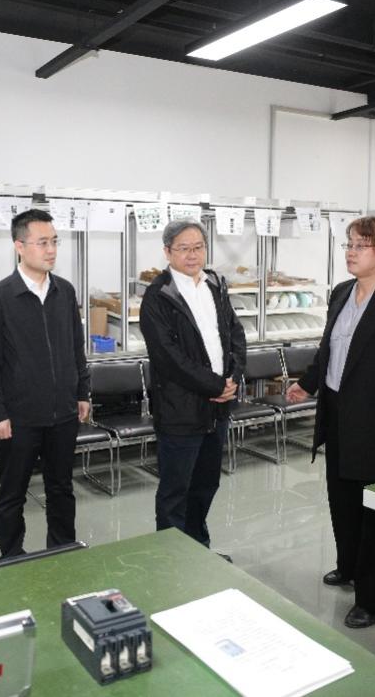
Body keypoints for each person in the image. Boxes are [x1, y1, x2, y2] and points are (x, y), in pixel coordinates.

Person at [286, 216, 375, 629]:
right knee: (344, 500)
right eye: (349, 244)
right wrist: (307, 384)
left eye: (361, 245)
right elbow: (329, 351)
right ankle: (349, 566)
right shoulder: (341, 294)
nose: (351, 252)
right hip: (339, 415)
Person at [0, 209, 90, 558]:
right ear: (19, 246)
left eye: (54, 242)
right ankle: (12, 557)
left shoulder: (64, 291)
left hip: (63, 413)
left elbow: (76, 347)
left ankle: (62, 551)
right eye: (42, 243)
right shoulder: (0, 297)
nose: (51, 250)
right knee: (13, 492)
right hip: (19, 417)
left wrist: (82, 392)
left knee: (61, 488)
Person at [139, 219, 246, 553]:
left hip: (218, 408)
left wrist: (233, 376)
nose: (192, 255)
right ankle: (171, 560)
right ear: (168, 252)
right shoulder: (158, 296)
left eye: (198, 247)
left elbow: (235, 334)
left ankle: (199, 551)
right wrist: (215, 385)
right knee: (175, 491)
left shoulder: (215, 284)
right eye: (184, 248)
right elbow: (168, 358)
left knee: (205, 484)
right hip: (180, 409)